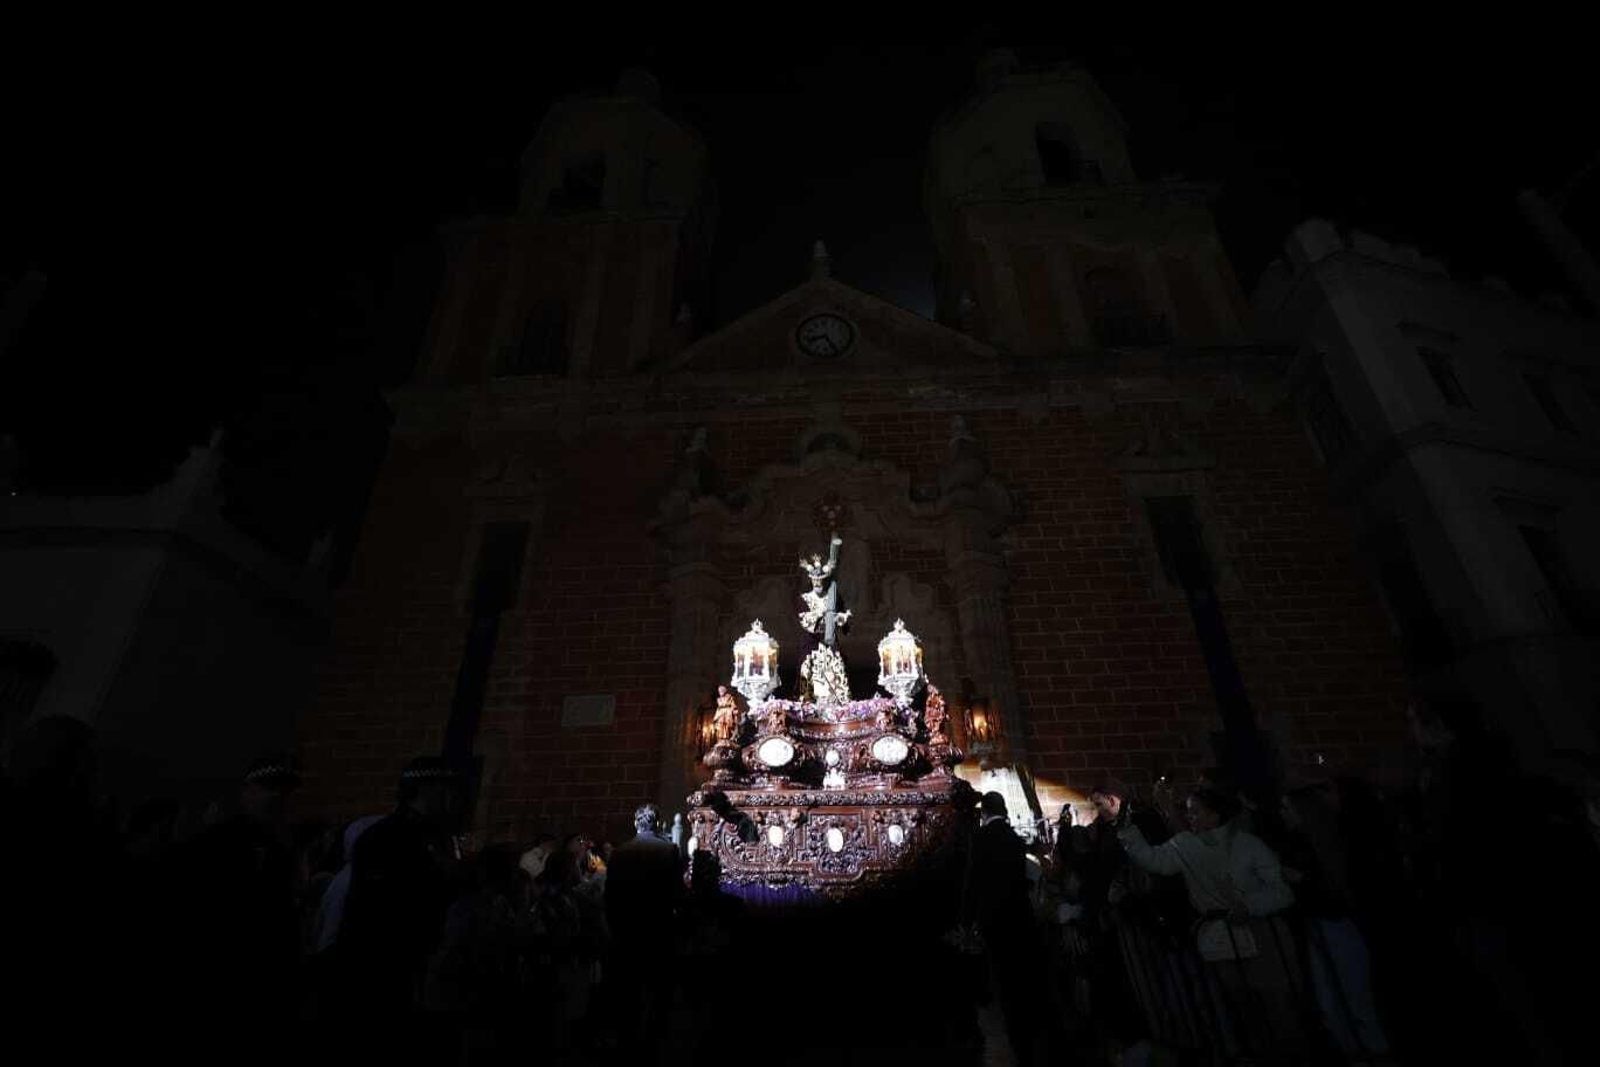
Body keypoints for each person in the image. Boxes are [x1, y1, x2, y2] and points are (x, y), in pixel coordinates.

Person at [1119, 788, 1306, 1058]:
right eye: (1188, 810)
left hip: (1261, 933)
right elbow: (1155, 860)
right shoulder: (1185, 844)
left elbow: (1281, 890)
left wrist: (1250, 906)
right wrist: (1129, 833)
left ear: (1215, 814)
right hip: (1220, 936)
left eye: (1196, 811)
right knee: (1242, 1006)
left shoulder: (1248, 844)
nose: (1190, 816)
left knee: (1276, 1005)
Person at [335, 756, 462, 1052]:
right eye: (444, 789)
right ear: (425, 790)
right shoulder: (387, 837)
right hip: (384, 967)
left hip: (417, 962)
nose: (450, 798)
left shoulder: (433, 836)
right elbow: (381, 908)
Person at [964, 791, 1049, 1065]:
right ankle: (1035, 1037)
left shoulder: (978, 839)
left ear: (983, 812)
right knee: (1025, 979)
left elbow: (972, 880)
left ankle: (1019, 1043)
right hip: (1020, 918)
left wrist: (966, 918)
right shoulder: (1014, 838)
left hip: (993, 921)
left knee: (1004, 981)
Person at [604, 804, 684, 1055]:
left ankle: (627, 1039)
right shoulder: (668, 849)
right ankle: (655, 1040)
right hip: (658, 926)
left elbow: (611, 895)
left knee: (629, 987)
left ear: (635, 822)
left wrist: (615, 926)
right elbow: (676, 892)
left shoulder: (619, 852)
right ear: (657, 823)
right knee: (659, 987)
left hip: (627, 928)